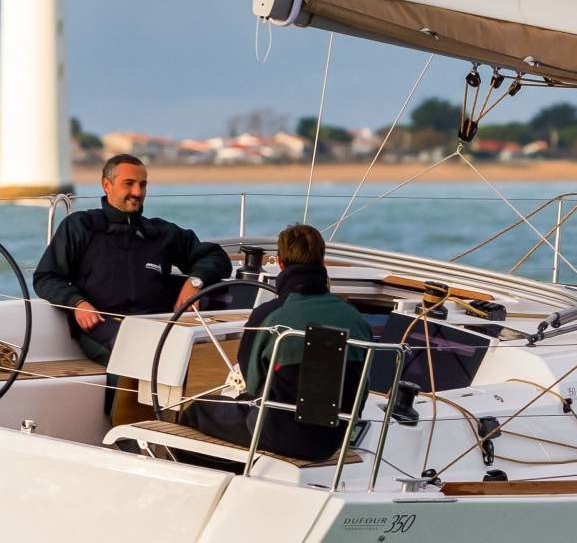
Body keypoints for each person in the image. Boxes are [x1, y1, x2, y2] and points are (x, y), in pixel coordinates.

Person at [180, 223, 372, 463]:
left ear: (280, 263)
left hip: (275, 432)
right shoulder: (357, 321)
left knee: (197, 410)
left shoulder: (269, 315)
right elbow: (362, 389)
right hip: (332, 441)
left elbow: (252, 383)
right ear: (322, 262)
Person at [33, 154, 232, 366]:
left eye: (142, 185)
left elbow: (216, 256)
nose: (137, 192)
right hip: (102, 323)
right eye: (129, 184)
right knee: (141, 355)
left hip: (156, 323)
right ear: (107, 185)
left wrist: (195, 281)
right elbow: (46, 277)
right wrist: (77, 303)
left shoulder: (161, 232)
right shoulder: (81, 226)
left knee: (209, 355)